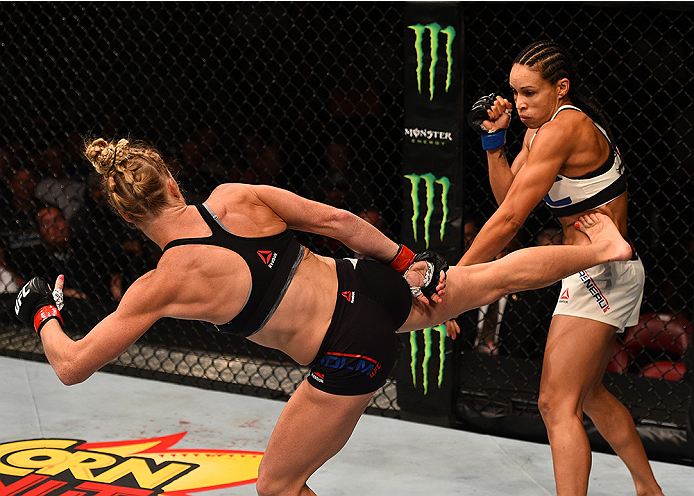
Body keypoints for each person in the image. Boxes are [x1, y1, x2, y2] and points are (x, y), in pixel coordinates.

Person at [15, 137, 632, 496]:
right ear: (173, 181)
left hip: (346, 355)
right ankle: (600, 249)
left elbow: (71, 366)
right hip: (371, 287)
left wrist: (42, 306)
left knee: (276, 487)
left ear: (128, 217)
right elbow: (336, 222)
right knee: (479, 279)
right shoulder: (236, 197)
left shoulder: (161, 283)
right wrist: (409, 261)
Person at [458, 40, 663, 495]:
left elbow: (510, 221)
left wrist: (454, 284)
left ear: (561, 88)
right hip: (589, 269)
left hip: (604, 273)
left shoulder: (565, 127)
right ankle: (649, 489)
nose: (519, 103)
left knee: (556, 402)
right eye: (514, 93)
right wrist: (495, 145)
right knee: (587, 395)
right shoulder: (538, 131)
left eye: (530, 92)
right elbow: (512, 203)